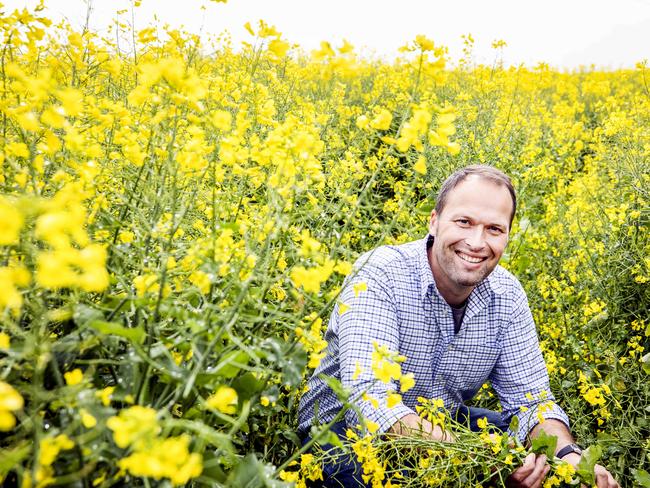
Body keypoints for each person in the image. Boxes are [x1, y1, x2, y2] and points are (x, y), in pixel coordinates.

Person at [298, 165, 618, 487]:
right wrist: (477, 459)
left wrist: (570, 457)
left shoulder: (506, 295)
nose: (477, 242)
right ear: (434, 221)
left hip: (440, 423)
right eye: (464, 222)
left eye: (494, 229)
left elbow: (531, 402)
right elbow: (368, 401)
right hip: (343, 434)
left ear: (507, 234)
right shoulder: (381, 273)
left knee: (540, 461)